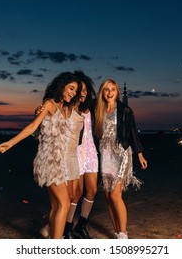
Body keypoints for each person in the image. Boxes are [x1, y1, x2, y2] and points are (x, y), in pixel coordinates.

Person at [0, 72, 80, 239]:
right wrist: (10, 143)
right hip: (49, 160)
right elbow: (33, 127)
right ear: (61, 86)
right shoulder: (49, 104)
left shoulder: (64, 108)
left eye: (75, 90)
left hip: (59, 161)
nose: (73, 92)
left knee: (57, 205)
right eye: (71, 88)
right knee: (64, 203)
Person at [94, 78, 148, 239]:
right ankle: (117, 231)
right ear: (102, 92)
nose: (109, 93)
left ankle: (123, 235)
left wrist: (140, 153)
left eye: (113, 89)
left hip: (121, 152)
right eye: (106, 89)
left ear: (117, 92)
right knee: (107, 196)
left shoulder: (125, 110)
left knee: (115, 195)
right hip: (105, 154)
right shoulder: (99, 109)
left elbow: (133, 132)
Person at [66, 70, 98, 239]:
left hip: (91, 151)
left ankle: (81, 226)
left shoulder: (90, 108)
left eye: (86, 90)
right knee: (75, 193)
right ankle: (67, 228)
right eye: (80, 90)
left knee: (92, 190)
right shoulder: (67, 108)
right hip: (76, 153)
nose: (83, 93)